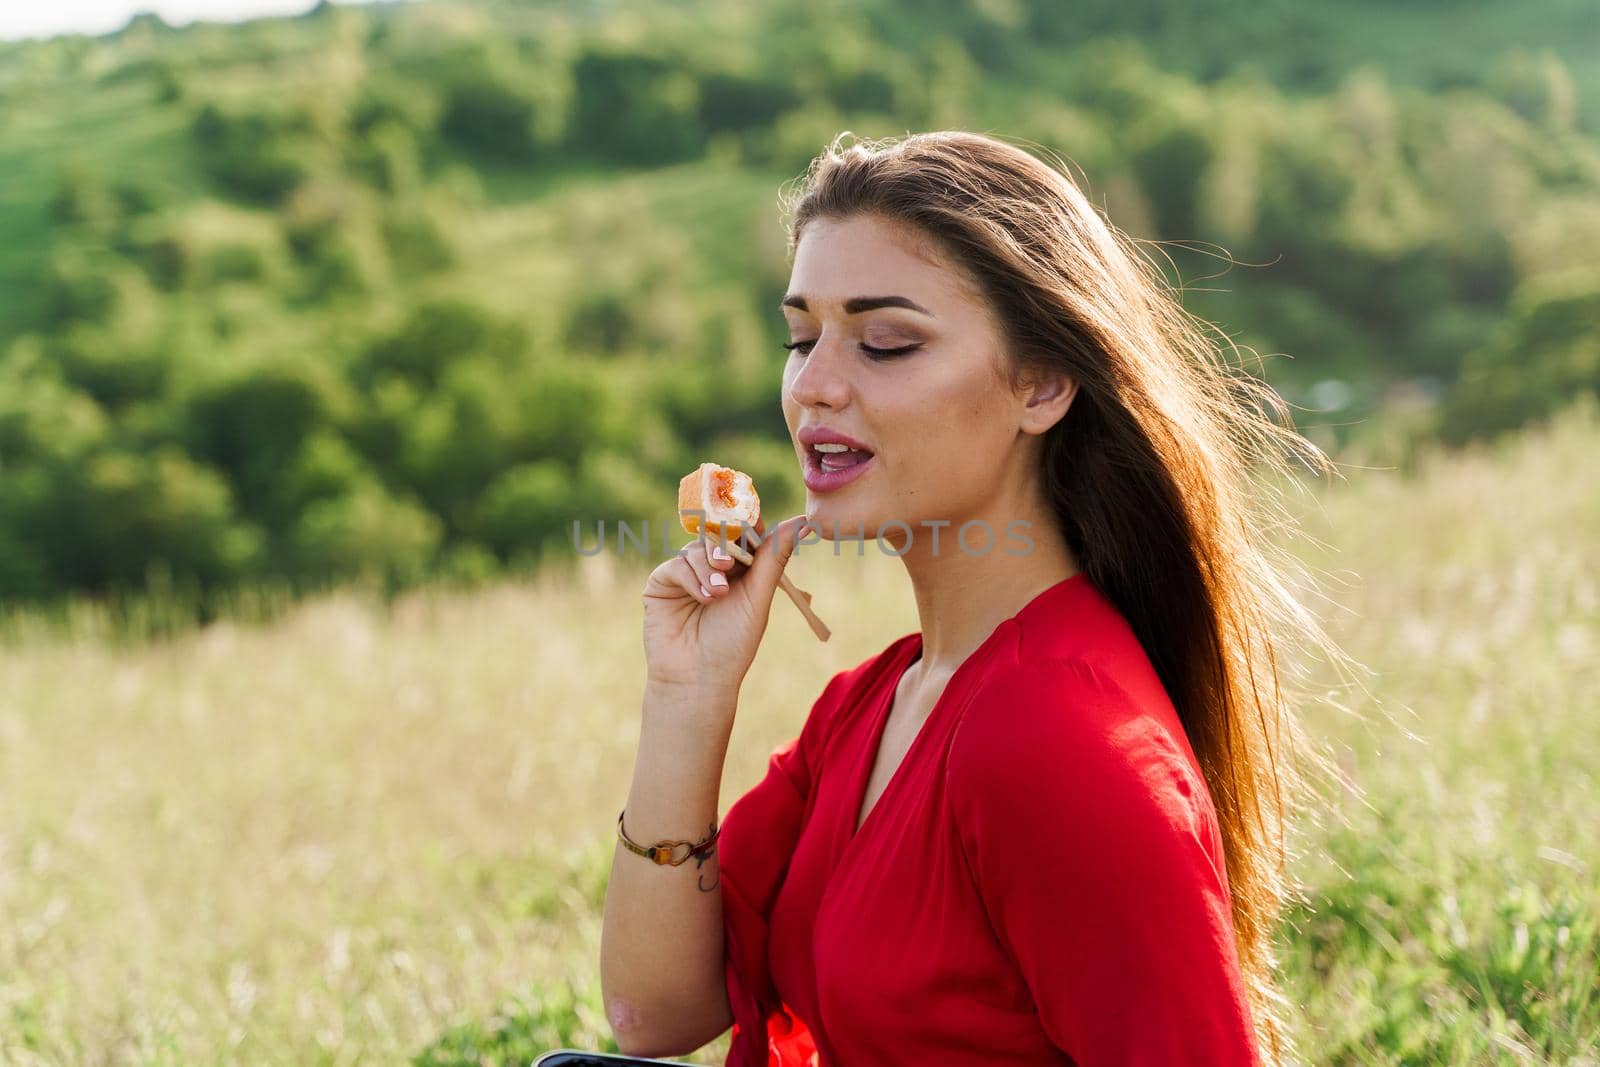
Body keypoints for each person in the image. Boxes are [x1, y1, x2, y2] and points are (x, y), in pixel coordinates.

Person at [601, 130, 1345, 1066]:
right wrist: (686, 695)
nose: (814, 386)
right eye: (801, 338)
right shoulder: (872, 706)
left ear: (1041, 382)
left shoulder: (1061, 739)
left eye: (885, 342)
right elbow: (651, 1014)